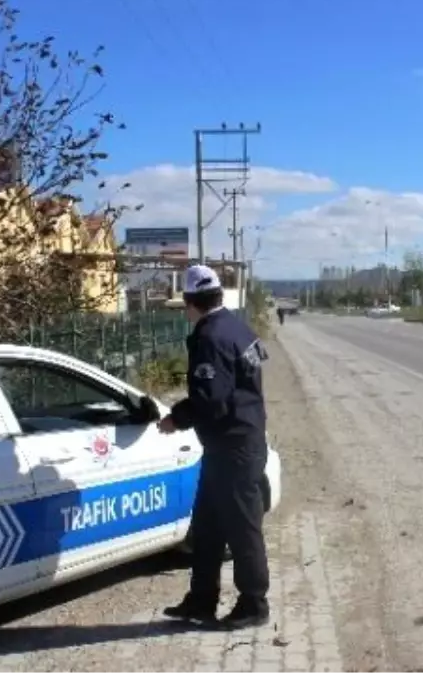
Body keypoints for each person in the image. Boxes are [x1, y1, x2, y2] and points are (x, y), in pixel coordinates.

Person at [159, 264, 272, 630]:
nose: (185, 312)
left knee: (242, 528)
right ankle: (201, 600)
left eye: (185, 305)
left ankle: (254, 604)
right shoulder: (237, 327)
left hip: (234, 448)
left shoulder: (211, 336)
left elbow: (212, 400)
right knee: (207, 527)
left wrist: (175, 418)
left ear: (191, 302)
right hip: (232, 444)